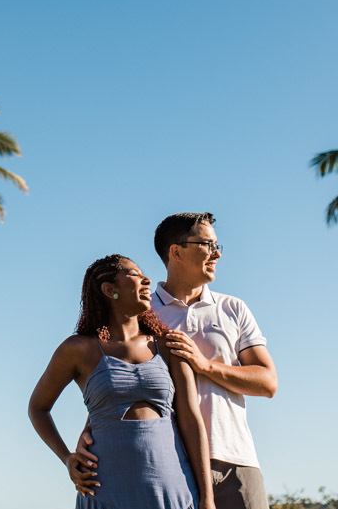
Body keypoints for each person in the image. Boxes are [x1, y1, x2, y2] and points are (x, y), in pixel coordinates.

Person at [72, 214, 277, 509]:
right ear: (176, 251)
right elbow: (116, 377)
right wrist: (89, 431)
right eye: (207, 244)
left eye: (218, 245)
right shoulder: (139, 309)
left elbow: (268, 382)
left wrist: (204, 365)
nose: (216, 253)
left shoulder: (234, 308)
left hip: (234, 457)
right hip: (166, 464)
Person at [29, 254, 215, 509]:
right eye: (135, 274)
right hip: (105, 487)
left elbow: (191, 419)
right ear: (109, 289)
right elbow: (38, 408)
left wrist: (207, 497)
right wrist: (67, 458)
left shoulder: (169, 345)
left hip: (171, 485)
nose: (147, 279)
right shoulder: (78, 349)